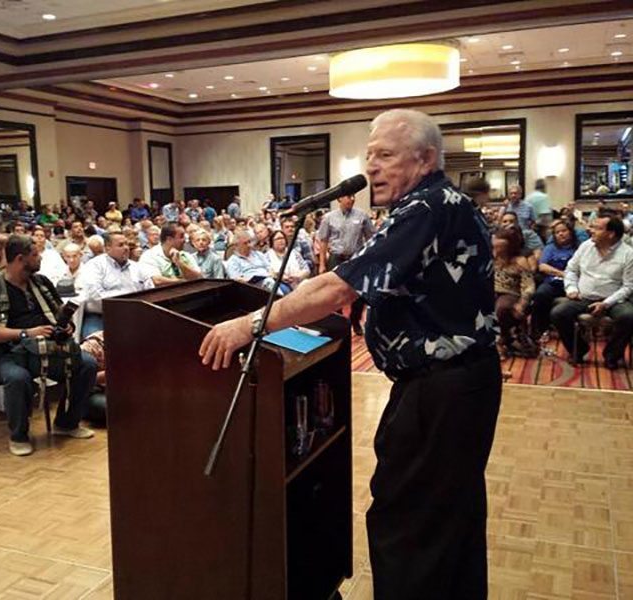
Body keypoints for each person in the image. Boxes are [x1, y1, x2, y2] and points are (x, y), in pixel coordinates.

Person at [200, 109, 500, 600]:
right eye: (369, 156)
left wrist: (249, 324)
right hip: (456, 384)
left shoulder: (426, 208)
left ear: (425, 159)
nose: (371, 168)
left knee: (408, 520)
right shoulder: (435, 203)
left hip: (441, 389)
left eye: (385, 155)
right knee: (450, 518)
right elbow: (343, 281)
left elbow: (338, 287)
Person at [0, 235, 97, 456]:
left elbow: (58, 315)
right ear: (20, 259)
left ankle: (67, 422)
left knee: (87, 364)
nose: (41, 258)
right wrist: (25, 333)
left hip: (47, 348)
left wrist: (66, 328)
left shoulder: (41, 282)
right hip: (7, 351)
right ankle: (19, 435)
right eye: (35, 254)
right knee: (18, 378)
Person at [550, 216, 633, 369]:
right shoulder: (585, 246)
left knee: (629, 316)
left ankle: (612, 355)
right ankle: (579, 350)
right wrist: (571, 289)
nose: (590, 230)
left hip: (614, 300)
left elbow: (628, 286)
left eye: (597, 228)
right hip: (584, 297)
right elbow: (571, 270)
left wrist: (606, 303)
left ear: (611, 234)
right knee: (558, 313)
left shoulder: (628, 254)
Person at [317, 193, 375, 335]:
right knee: (334, 292)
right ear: (339, 199)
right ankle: (337, 322)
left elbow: (371, 237)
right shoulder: (329, 217)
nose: (352, 199)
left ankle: (355, 320)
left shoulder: (362, 216)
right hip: (336, 258)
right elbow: (323, 240)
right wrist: (322, 264)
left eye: (353, 196)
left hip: (356, 258)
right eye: (348, 196)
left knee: (359, 293)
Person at [79, 231, 154, 337]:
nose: (126, 248)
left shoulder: (137, 267)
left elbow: (150, 292)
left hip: (135, 315)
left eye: (126, 244)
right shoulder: (94, 266)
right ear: (107, 248)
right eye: (120, 245)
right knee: (92, 348)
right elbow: (95, 297)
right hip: (101, 317)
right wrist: (129, 301)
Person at [530, 219, 578, 339]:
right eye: (557, 232)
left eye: (564, 231)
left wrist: (570, 277)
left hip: (576, 283)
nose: (561, 234)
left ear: (570, 232)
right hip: (554, 282)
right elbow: (542, 266)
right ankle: (541, 330)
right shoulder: (550, 248)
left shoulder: (580, 248)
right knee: (540, 294)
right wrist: (562, 273)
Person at [492, 228, 537, 357]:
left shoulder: (519, 260)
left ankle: (502, 339)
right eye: (495, 247)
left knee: (502, 307)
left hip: (510, 293)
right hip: (489, 291)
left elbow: (528, 285)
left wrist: (522, 303)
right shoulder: (490, 257)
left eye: (500, 248)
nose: (496, 251)